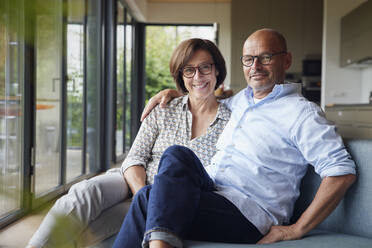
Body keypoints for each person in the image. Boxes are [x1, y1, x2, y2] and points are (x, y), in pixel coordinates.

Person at [112, 28, 356, 248]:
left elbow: (341, 171)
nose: (256, 66)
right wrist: (175, 93)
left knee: (155, 187)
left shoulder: (302, 113)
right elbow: (202, 96)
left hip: (249, 215)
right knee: (166, 167)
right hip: (215, 192)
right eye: (249, 59)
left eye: (266, 57)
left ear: (287, 60)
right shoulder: (240, 101)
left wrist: (297, 228)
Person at [26, 38, 231, 248]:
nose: (198, 76)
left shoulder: (233, 119)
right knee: (84, 192)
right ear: (181, 74)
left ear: (217, 70)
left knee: (92, 229)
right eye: (189, 70)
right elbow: (135, 158)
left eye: (205, 67)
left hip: (173, 199)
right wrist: (141, 193)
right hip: (133, 182)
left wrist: (150, 204)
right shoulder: (164, 108)